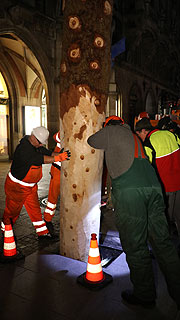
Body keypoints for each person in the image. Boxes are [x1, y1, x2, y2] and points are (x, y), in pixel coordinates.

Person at [87, 115, 180, 309]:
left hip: (131, 192)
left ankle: (144, 295)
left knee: (135, 245)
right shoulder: (134, 136)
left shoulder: (112, 131)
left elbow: (91, 140)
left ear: (109, 125)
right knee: (162, 243)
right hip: (154, 187)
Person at [0, 126, 71, 241]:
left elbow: (47, 153)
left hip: (30, 187)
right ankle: (6, 230)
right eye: (40, 143)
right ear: (33, 137)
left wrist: (58, 154)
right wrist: (58, 158)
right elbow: (41, 159)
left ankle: (42, 233)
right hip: (17, 187)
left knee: (35, 211)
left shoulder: (35, 145)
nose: (41, 145)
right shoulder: (24, 149)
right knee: (12, 211)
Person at [135, 117, 180, 243]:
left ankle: (166, 248)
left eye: (139, 135)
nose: (139, 139)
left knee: (164, 220)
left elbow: (146, 168)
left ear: (144, 131)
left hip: (165, 187)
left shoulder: (148, 143)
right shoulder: (170, 134)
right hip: (178, 183)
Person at [44, 131, 61, 237]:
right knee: (53, 197)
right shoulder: (63, 133)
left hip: (65, 171)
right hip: (58, 170)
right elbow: (57, 137)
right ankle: (47, 220)